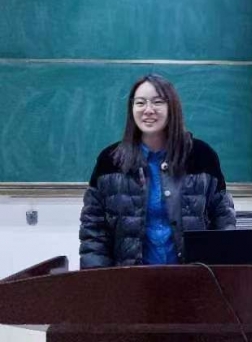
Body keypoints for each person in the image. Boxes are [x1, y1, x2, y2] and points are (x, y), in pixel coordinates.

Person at [79, 74, 235, 268]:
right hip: (131, 278)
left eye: (157, 102)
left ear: (172, 107)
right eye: (140, 103)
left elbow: (223, 220)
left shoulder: (201, 156)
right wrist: (98, 278)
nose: (148, 110)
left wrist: (223, 272)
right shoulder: (110, 161)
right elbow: (93, 229)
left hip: (192, 277)